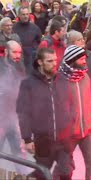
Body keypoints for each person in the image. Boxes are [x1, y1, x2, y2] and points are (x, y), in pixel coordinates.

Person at [16, 48, 74, 179]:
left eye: (55, 60)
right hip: (43, 140)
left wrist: (72, 125)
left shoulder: (62, 80)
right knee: (42, 174)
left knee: (66, 172)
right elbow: (23, 112)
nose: (54, 64)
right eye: (50, 61)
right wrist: (27, 138)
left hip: (64, 139)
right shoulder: (28, 84)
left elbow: (71, 105)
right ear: (40, 62)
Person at [59, 45, 91, 179]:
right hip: (68, 133)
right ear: (72, 60)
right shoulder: (59, 81)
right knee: (64, 167)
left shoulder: (85, 76)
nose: (85, 61)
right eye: (81, 59)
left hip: (88, 130)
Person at [0, 41, 26, 174]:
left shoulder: (18, 67)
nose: (17, 56)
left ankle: (22, 175)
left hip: (13, 118)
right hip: (1, 119)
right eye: (14, 52)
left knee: (19, 154)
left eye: (20, 53)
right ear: (6, 52)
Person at [13, 7, 42, 73]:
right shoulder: (14, 28)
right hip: (18, 58)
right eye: (23, 14)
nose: (26, 16)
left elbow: (40, 42)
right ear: (19, 15)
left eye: (27, 14)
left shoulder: (35, 28)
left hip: (31, 58)